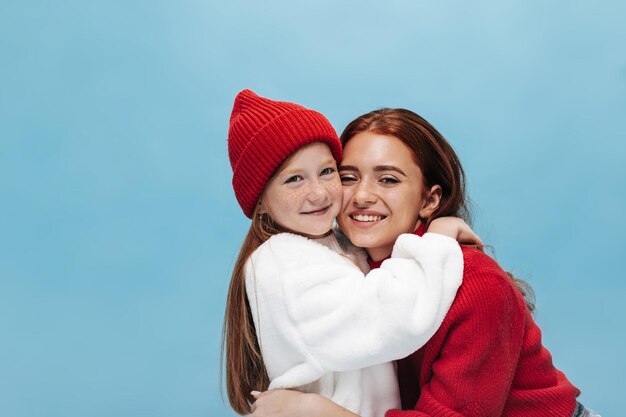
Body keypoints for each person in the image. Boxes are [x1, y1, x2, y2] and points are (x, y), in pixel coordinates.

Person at [249, 108, 599, 417]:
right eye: (348, 176)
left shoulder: (477, 284)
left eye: (388, 180)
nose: (362, 196)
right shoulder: (346, 275)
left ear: (429, 200)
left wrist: (317, 411)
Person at [223, 90, 480, 417]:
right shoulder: (283, 263)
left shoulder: (337, 244)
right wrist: (437, 239)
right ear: (260, 201)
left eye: (328, 172)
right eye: (294, 179)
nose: (317, 193)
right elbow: (394, 319)